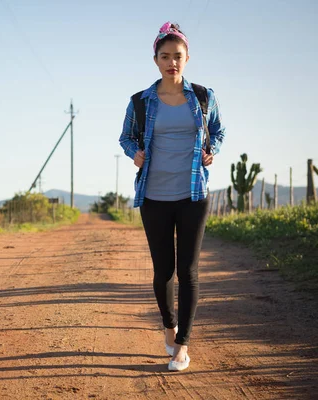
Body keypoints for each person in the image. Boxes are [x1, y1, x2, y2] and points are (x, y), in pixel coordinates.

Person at [119, 21, 225, 371]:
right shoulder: (140, 101)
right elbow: (126, 137)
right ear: (156, 60)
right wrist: (134, 152)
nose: (172, 63)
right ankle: (169, 326)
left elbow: (219, 131)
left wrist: (214, 150)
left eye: (177, 56)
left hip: (194, 194)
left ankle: (183, 345)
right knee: (163, 270)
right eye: (165, 57)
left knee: (188, 270)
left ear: (187, 58)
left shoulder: (204, 96)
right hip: (154, 195)